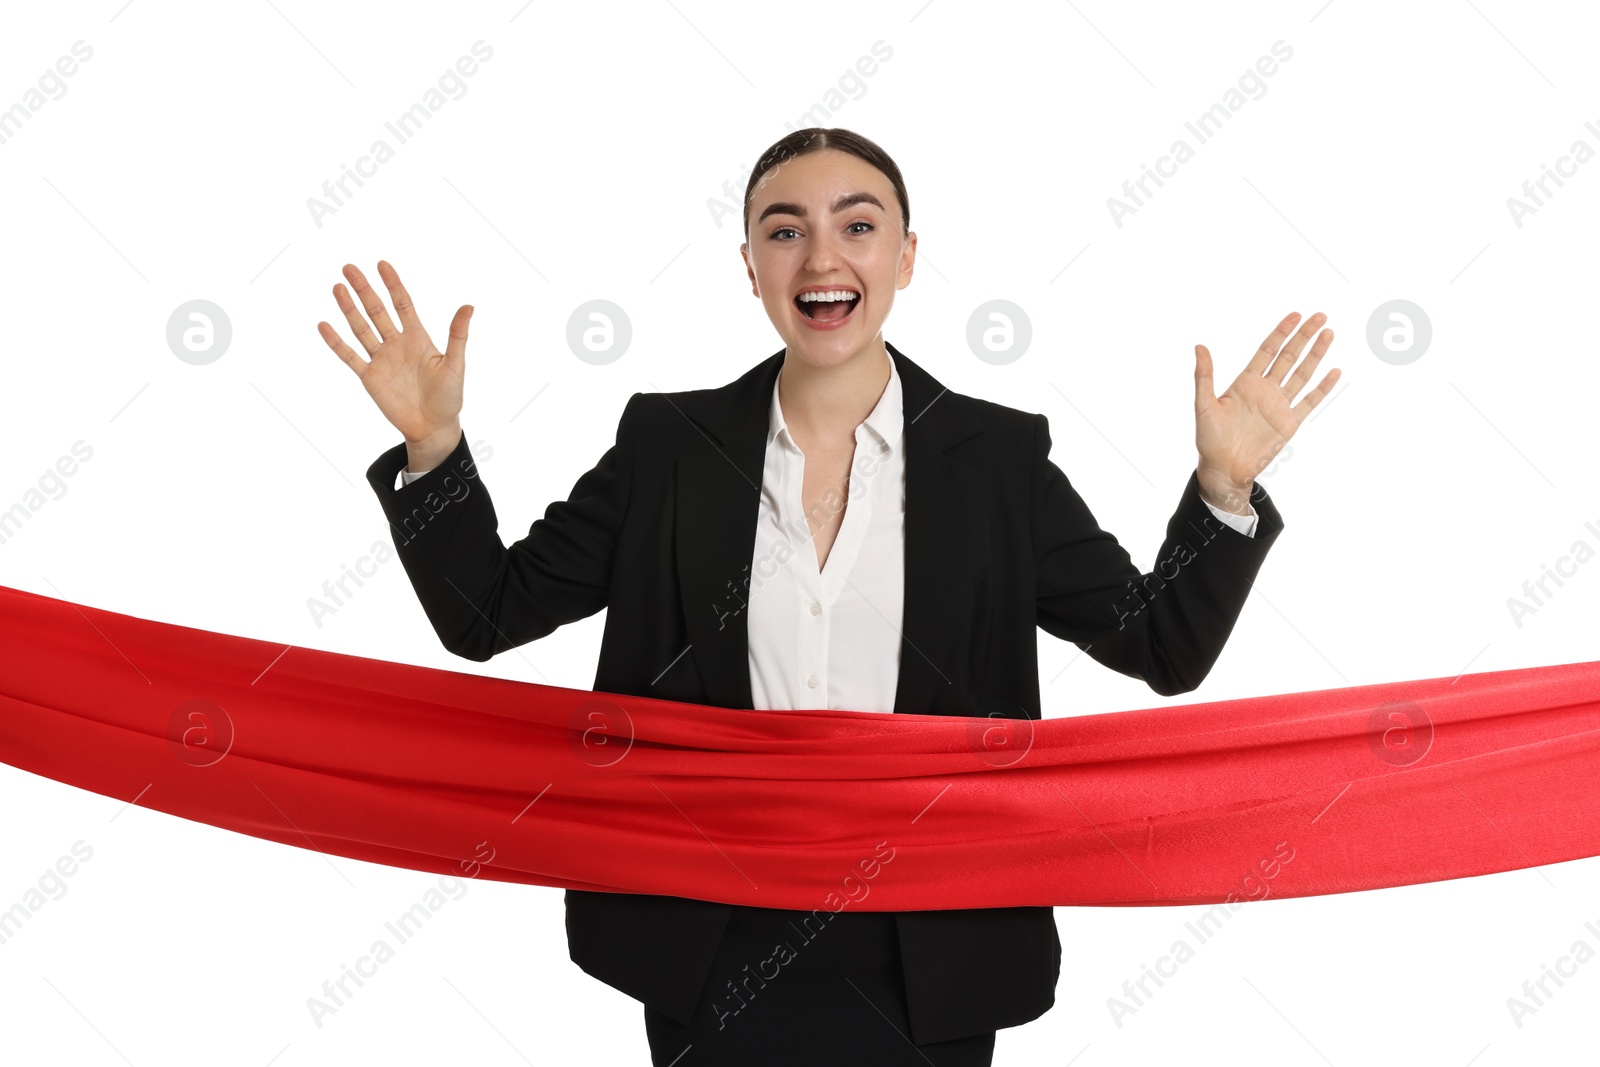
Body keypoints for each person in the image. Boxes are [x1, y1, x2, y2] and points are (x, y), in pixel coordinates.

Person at [317, 127, 1338, 1066]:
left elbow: (1157, 641)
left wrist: (1223, 490)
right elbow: (487, 613)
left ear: (904, 257)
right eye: (783, 229)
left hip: (929, 952)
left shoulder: (996, 459)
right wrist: (435, 450)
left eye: (858, 224)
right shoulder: (667, 447)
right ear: (751, 267)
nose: (821, 258)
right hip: (707, 942)